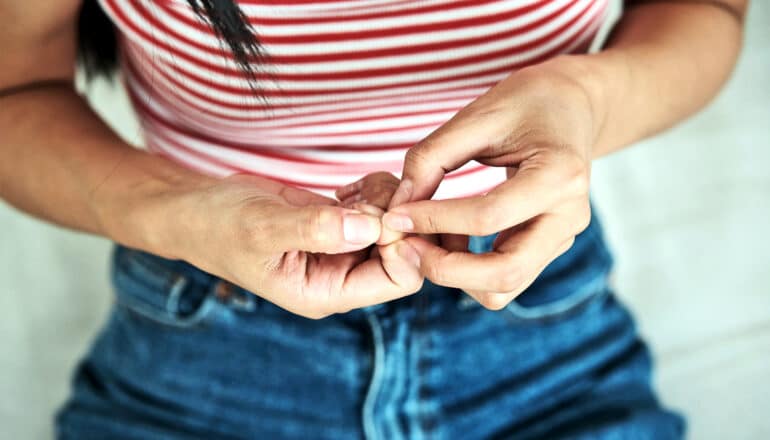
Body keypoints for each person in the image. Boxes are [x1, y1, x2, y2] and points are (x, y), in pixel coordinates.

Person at [0, 0, 746, 438]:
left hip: (540, 318)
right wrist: (179, 213)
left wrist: (588, 99)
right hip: (204, 321)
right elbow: (17, 91)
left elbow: (706, 10)